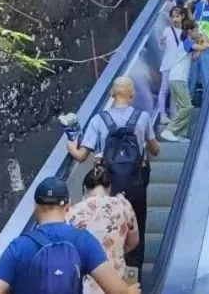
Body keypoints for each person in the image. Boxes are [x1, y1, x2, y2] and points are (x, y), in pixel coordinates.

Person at [0, 176, 139, 294]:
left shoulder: (18, 247)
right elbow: (117, 291)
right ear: (68, 206)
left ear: (35, 207)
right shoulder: (83, 240)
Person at [67, 77, 159, 273]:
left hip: (107, 184)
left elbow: (81, 156)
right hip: (135, 183)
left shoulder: (99, 120)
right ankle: (133, 277)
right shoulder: (142, 117)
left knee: (106, 226)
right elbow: (155, 150)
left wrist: (71, 147)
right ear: (132, 94)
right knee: (137, 226)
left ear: (111, 94)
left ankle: (107, 272)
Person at [68, 163, 139, 294]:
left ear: (85, 188)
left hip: (86, 285)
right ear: (109, 188)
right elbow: (133, 241)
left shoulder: (73, 212)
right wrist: (115, 250)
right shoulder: (124, 205)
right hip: (118, 283)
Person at [160, 11, 209, 142]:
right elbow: (200, 47)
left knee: (185, 107)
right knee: (186, 107)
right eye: (196, 30)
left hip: (180, 79)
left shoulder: (188, 43)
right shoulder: (186, 42)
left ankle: (180, 134)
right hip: (177, 78)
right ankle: (170, 130)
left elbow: (194, 58)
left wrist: (201, 46)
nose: (198, 32)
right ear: (190, 31)